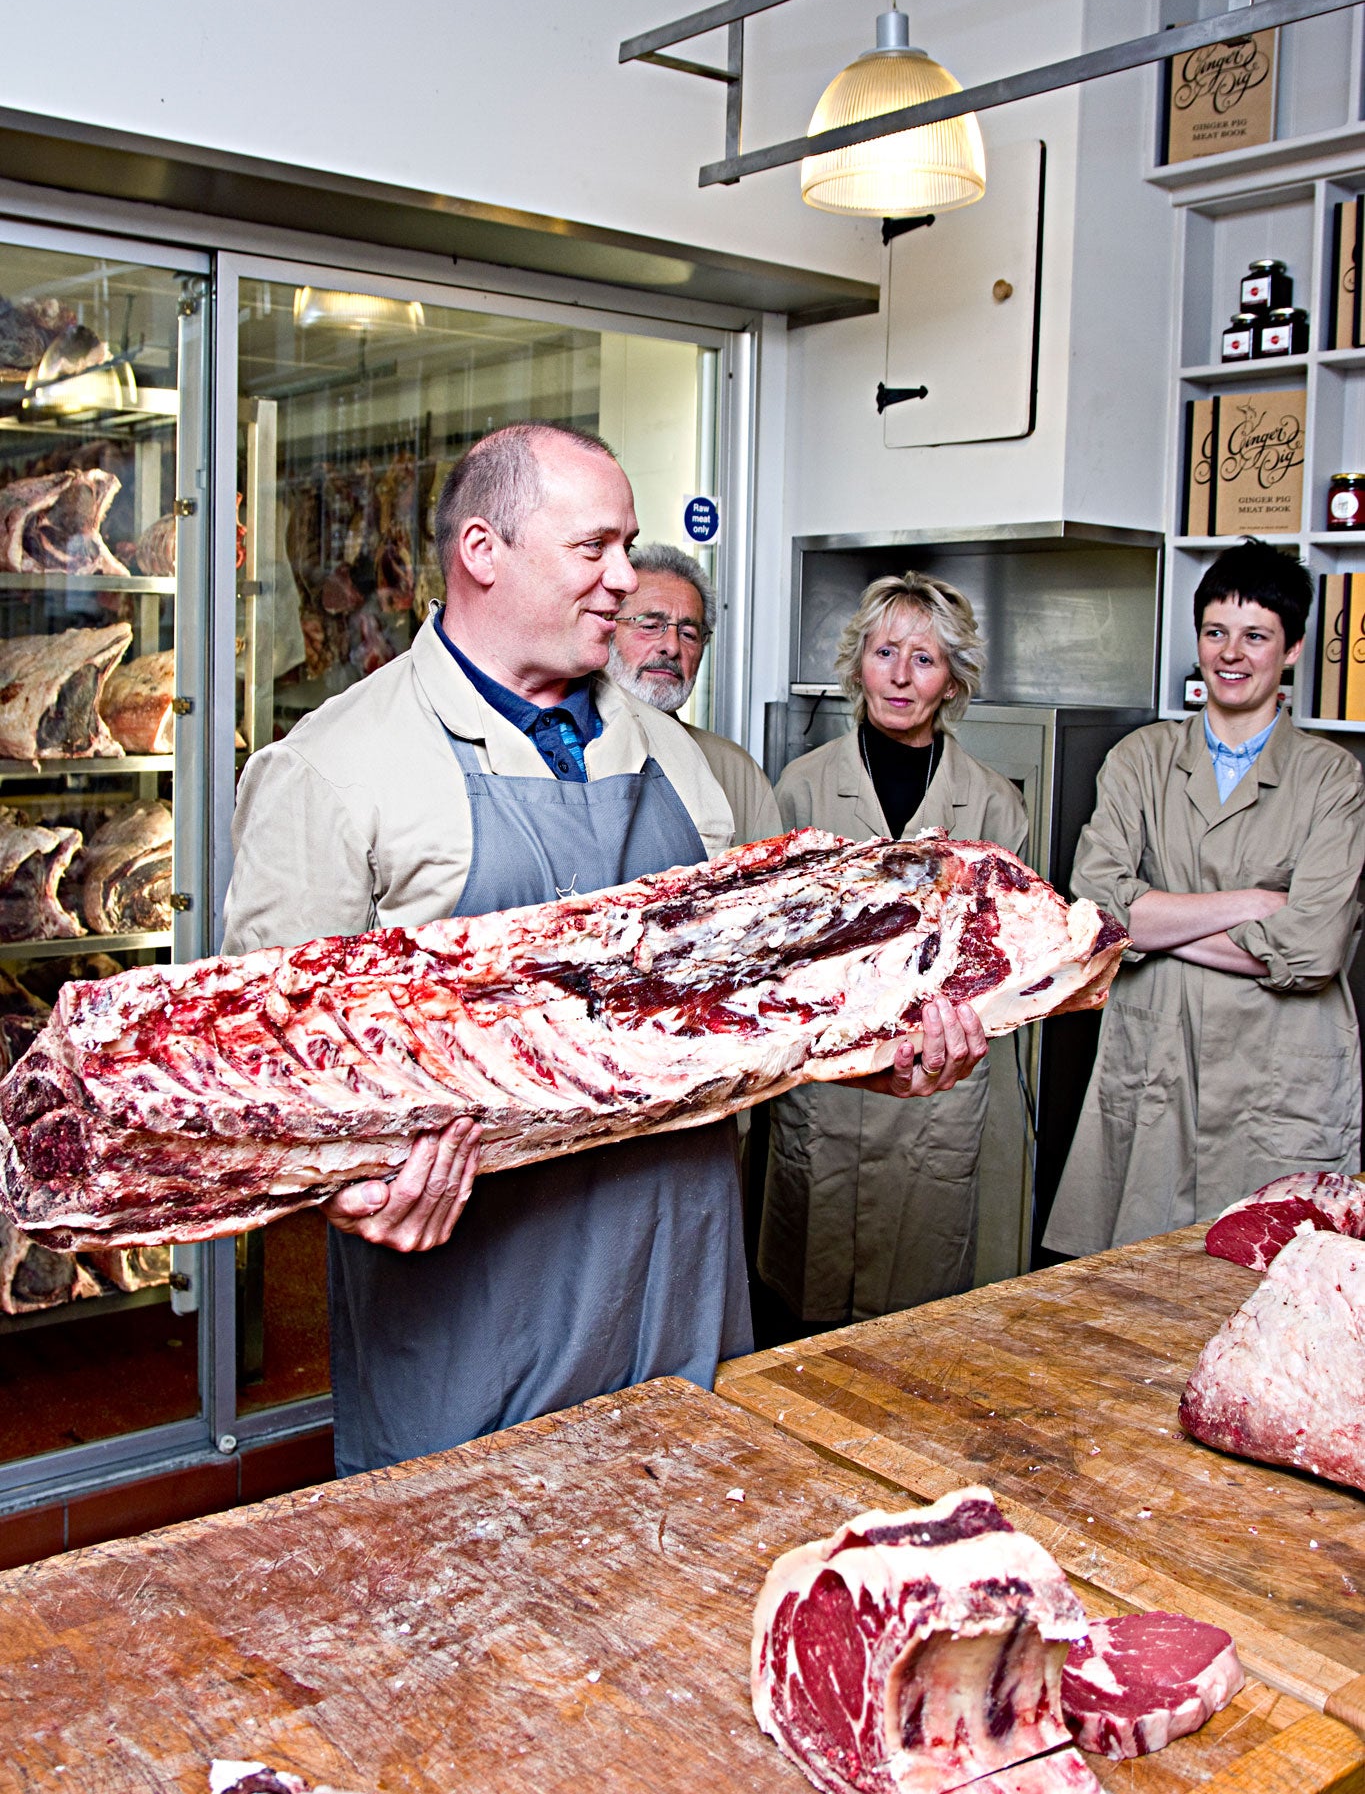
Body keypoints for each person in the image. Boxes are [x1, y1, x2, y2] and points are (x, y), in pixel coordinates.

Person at [223, 424, 986, 1474]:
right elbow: (266, 1069)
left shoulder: (678, 761)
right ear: (484, 550)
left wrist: (878, 1053)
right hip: (471, 1308)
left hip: (679, 1282)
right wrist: (342, 1187)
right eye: (596, 549)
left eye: (627, 545)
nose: (625, 579)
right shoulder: (336, 767)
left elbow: (755, 1010)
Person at [1044, 538, 1365, 1259]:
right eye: (1215, 632)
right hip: (1156, 1054)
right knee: (1130, 1290)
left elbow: (1312, 949)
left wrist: (1152, 923)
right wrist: (1254, 901)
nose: (1230, 653)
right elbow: (1093, 911)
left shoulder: (1331, 779)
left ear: (1290, 650)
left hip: (1277, 1071)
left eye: (1255, 636)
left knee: (1268, 1296)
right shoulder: (1139, 760)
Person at [759, 570, 1028, 1326]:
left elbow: (1000, 957)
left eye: (924, 658)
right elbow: (778, 946)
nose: (900, 676)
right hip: (829, 1075)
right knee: (800, 1315)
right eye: (884, 653)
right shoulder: (802, 787)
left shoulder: (992, 803)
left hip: (936, 1070)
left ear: (951, 681)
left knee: (915, 1314)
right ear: (857, 665)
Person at [606, 540, 780, 845]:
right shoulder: (564, 753)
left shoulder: (737, 774)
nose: (671, 647)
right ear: (605, 628)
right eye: (650, 625)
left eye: (688, 634)